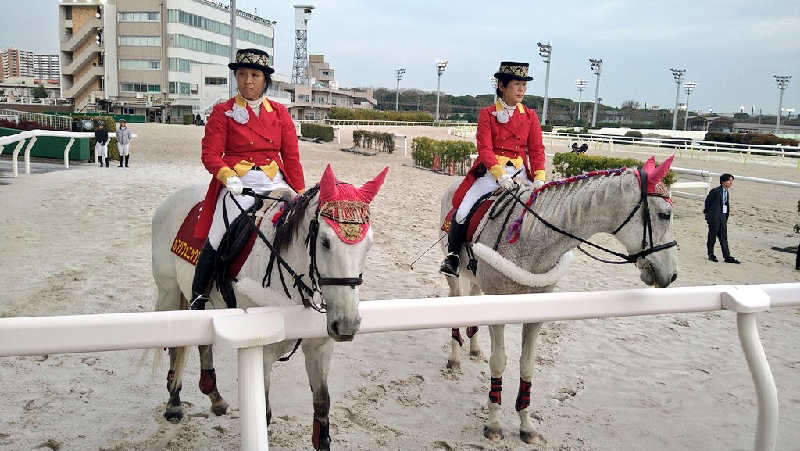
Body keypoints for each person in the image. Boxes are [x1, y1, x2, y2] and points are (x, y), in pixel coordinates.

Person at [190, 48, 306, 309]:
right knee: (218, 232)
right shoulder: (223, 111)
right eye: (242, 74)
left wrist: (299, 191)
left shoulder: (279, 112)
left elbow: (292, 157)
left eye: (254, 74)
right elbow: (210, 153)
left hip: (275, 180)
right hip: (238, 182)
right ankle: (199, 294)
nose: (248, 80)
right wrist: (227, 176)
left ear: (265, 79)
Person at [440, 61, 546, 277]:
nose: (521, 90)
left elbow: (536, 150)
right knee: (462, 210)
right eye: (517, 84)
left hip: (520, 173)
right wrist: (499, 176)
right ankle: (453, 256)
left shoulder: (530, 116)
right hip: (491, 173)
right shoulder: (487, 114)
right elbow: (485, 149)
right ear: (502, 86)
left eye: (524, 85)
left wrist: (539, 178)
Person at [704, 173, 740, 263]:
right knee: (712, 237)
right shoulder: (715, 191)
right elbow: (707, 202)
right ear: (723, 182)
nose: (731, 183)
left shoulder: (726, 192)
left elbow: (726, 205)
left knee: (724, 237)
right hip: (714, 218)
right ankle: (711, 254)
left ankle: (727, 256)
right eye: (729, 180)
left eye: (732, 181)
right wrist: (708, 216)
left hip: (722, 218)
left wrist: (725, 217)